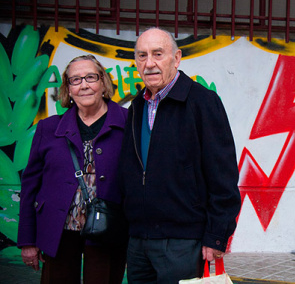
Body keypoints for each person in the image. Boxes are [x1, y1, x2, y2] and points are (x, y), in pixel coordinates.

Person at [118, 27, 241, 283]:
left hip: (182, 242)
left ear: (176, 58)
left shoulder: (202, 102)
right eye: (142, 56)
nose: (149, 63)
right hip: (140, 241)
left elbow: (223, 176)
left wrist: (216, 235)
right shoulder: (137, 105)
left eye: (158, 54)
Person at [17, 54, 128, 283]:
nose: (84, 85)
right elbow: (30, 186)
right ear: (68, 88)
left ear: (103, 82)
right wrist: (27, 240)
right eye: (75, 80)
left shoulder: (128, 123)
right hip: (58, 230)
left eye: (90, 77)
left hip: (108, 228)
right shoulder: (48, 128)